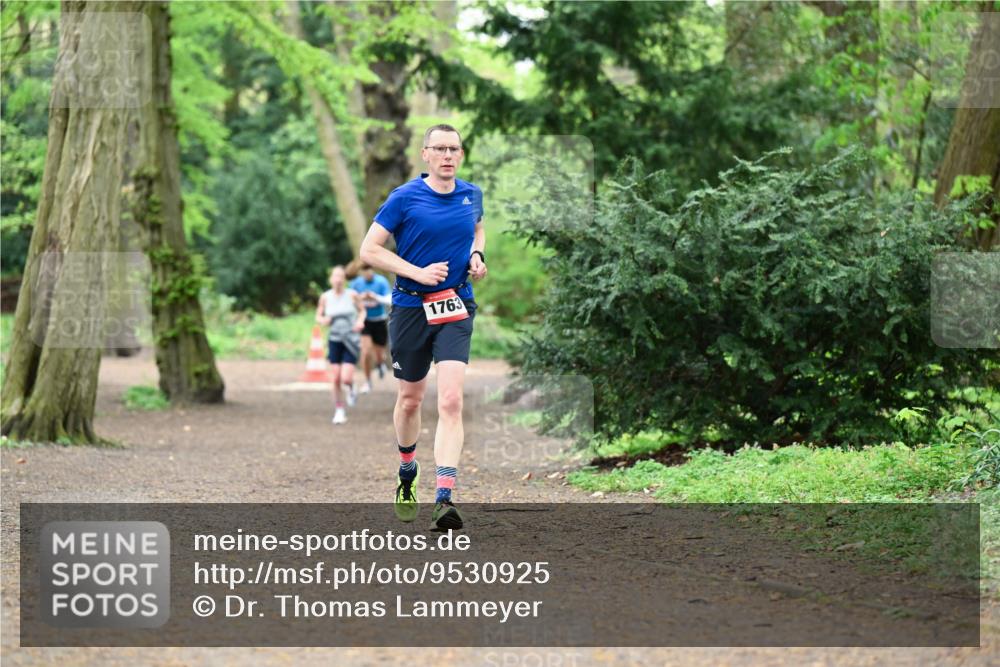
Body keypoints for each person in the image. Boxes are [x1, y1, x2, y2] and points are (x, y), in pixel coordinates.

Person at [360, 123, 487, 531]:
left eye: (454, 148)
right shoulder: (404, 198)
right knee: (411, 400)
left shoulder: (471, 194)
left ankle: (445, 497)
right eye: (440, 148)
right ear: (425, 154)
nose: (448, 155)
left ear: (461, 155)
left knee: (451, 401)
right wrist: (416, 271)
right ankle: (406, 470)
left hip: (455, 305)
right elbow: (369, 250)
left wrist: (477, 254)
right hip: (411, 307)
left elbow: (477, 226)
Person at [315, 265, 366, 425]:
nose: (338, 279)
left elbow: (362, 311)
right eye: (335, 276)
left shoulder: (352, 295)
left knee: (346, 378)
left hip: (351, 339)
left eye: (341, 276)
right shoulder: (325, 297)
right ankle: (339, 410)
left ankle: (351, 388)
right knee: (335, 377)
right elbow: (319, 315)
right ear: (331, 279)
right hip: (335, 339)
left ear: (344, 279)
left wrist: (359, 321)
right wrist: (323, 320)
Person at [350, 263, 392, 394]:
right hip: (365, 321)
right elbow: (351, 300)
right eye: (364, 270)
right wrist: (359, 298)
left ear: (372, 270)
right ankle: (367, 381)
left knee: (379, 353)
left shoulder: (381, 281)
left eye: (369, 270)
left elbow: (390, 299)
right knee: (366, 352)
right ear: (361, 272)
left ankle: (380, 364)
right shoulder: (356, 283)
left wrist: (375, 297)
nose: (367, 273)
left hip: (379, 320)